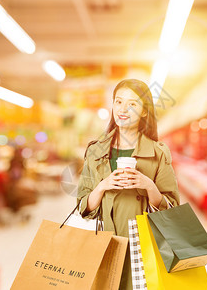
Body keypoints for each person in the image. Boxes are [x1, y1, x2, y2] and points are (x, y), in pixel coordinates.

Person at [77, 79, 180, 289]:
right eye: (118, 102)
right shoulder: (96, 151)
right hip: (107, 244)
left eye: (132, 104)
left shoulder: (158, 152)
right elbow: (83, 205)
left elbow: (173, 209)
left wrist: (149, 186)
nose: (123, 109)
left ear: (144, 112)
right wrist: (103, 186)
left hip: (144, 248)